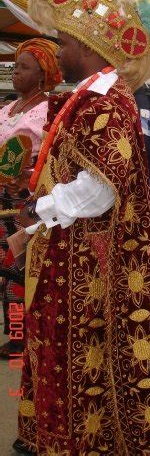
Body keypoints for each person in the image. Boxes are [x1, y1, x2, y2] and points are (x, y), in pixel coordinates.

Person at [14, 0, 150, 455]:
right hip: (73, 244)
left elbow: (101, 188)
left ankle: (78, 440)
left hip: (86, 254)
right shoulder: (88, 97)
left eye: (63, 43)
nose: (58, 51)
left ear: (88, 46)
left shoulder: (106, 103)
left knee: (78, 349)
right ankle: (60, 434)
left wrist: (40, 211)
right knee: (66, 346)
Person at [0, 38, 61, 359]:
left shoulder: (48, 110)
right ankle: (16, 333)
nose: (15, 72)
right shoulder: (9, 107)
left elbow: (55, 156)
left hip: (27, 202)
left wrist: (28, 178)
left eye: (24, 67)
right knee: (6, 271)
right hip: (2, 199)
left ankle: (23, 339)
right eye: (14, 66)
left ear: (42, 73)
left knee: (20, 270)